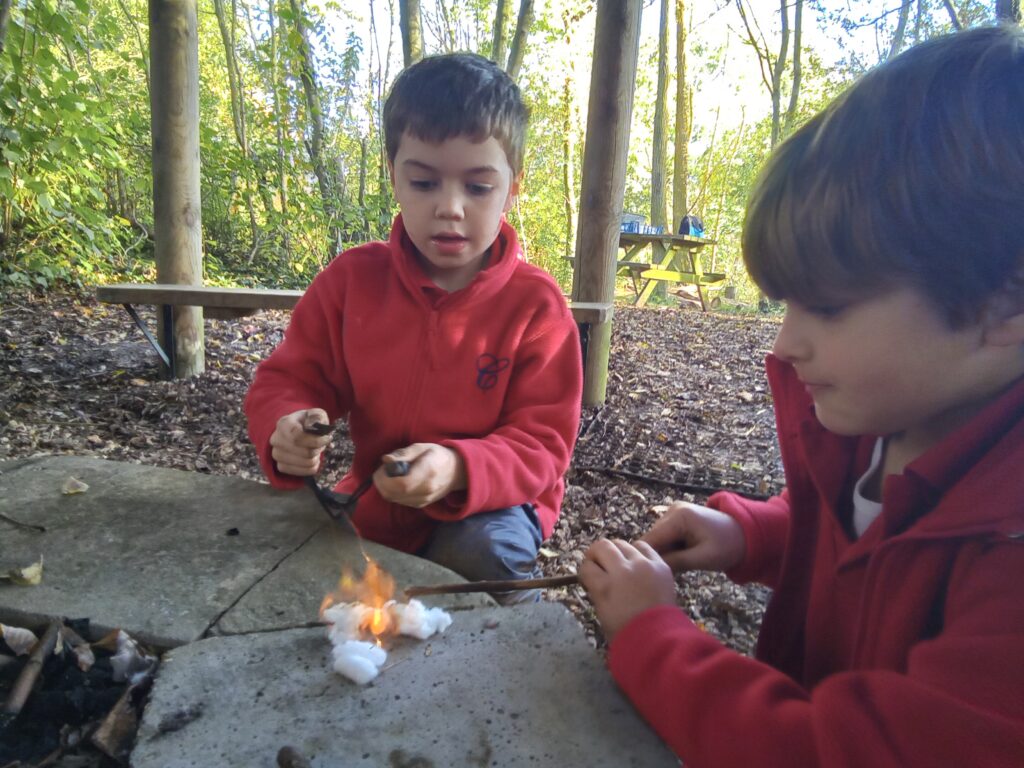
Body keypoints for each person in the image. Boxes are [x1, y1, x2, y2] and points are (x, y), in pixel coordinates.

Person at [579, 25, 1024, 766]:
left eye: (828, 307)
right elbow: (874, 543)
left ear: (1004, 304)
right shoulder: (888, 420)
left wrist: (654, 638)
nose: (784, 345)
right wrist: (754, 536)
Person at [245, 53, 583, 603]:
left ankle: (507, 650)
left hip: (489, 509)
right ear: (393, 173)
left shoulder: (536, 307)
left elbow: (542, 445)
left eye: (477, 188)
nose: (449, 208)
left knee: (483, 554)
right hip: (377, 499)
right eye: (424, 182)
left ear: (512, 186)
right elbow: (290, 379)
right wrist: (286, 425)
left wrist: (457, 467)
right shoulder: (352, 281)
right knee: (290, 553)